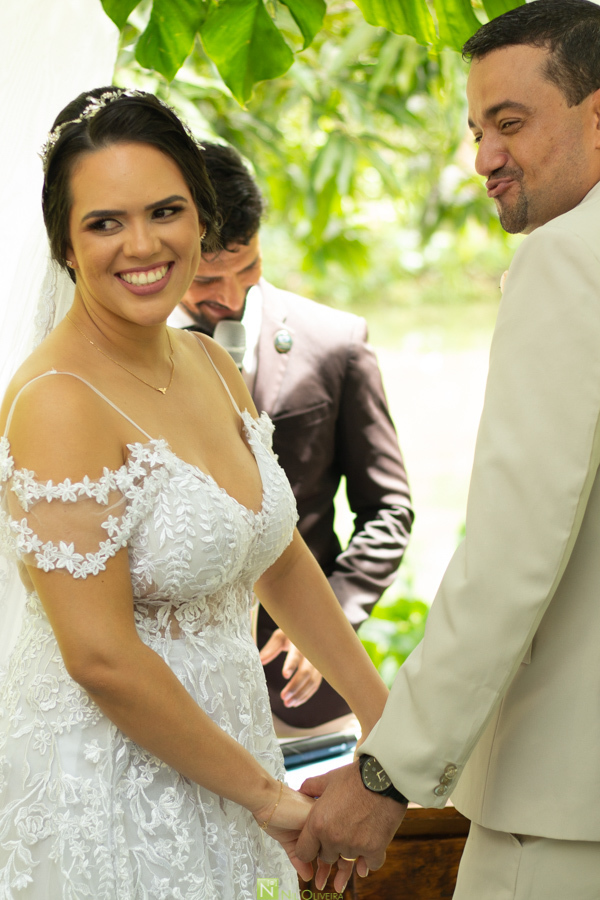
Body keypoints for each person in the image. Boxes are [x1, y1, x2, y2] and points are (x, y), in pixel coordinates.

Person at [0, 87, 389, 899]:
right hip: (116, 793)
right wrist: (271, 800)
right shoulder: (58, 402)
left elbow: (276, 554)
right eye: (104, 222)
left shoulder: (209, 364)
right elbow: (101, 658)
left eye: (164, 210)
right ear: (64, 244)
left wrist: (386, 718)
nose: (141, 244)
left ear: (200, 217)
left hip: (230, 762)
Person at [295, 1, 600, 897]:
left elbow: (514, 551)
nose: (484, 159)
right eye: (476, 130)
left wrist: (388, 771)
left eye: (510, 123)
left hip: (562, 815)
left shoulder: (570, 258)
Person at [171, 143, 413, 735]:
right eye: (206, 279)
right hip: (175, 693)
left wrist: (332, 615)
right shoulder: (122, 363)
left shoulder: (336, 341)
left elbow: (389, 510)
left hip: (305, 692)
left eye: (247, 270)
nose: (229, 297)